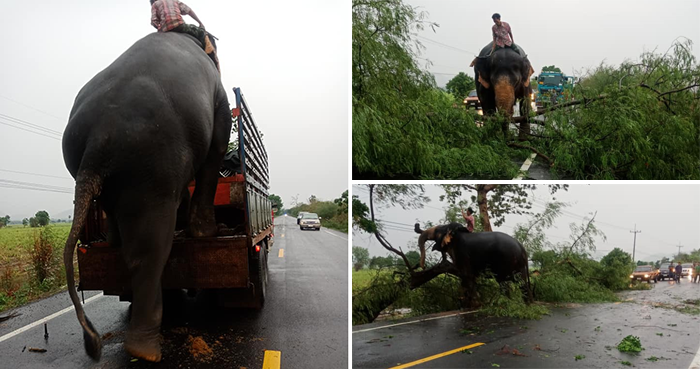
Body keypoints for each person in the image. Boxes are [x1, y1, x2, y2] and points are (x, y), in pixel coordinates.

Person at [150, 0, 220, 71]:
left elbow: (153, 22)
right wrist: (200, 23)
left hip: (165, 30)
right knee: (202, 33)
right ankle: (212, 59)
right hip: (180, 26)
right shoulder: (174, 1)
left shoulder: (155, 4)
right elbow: (189, 11)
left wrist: (160, 28)